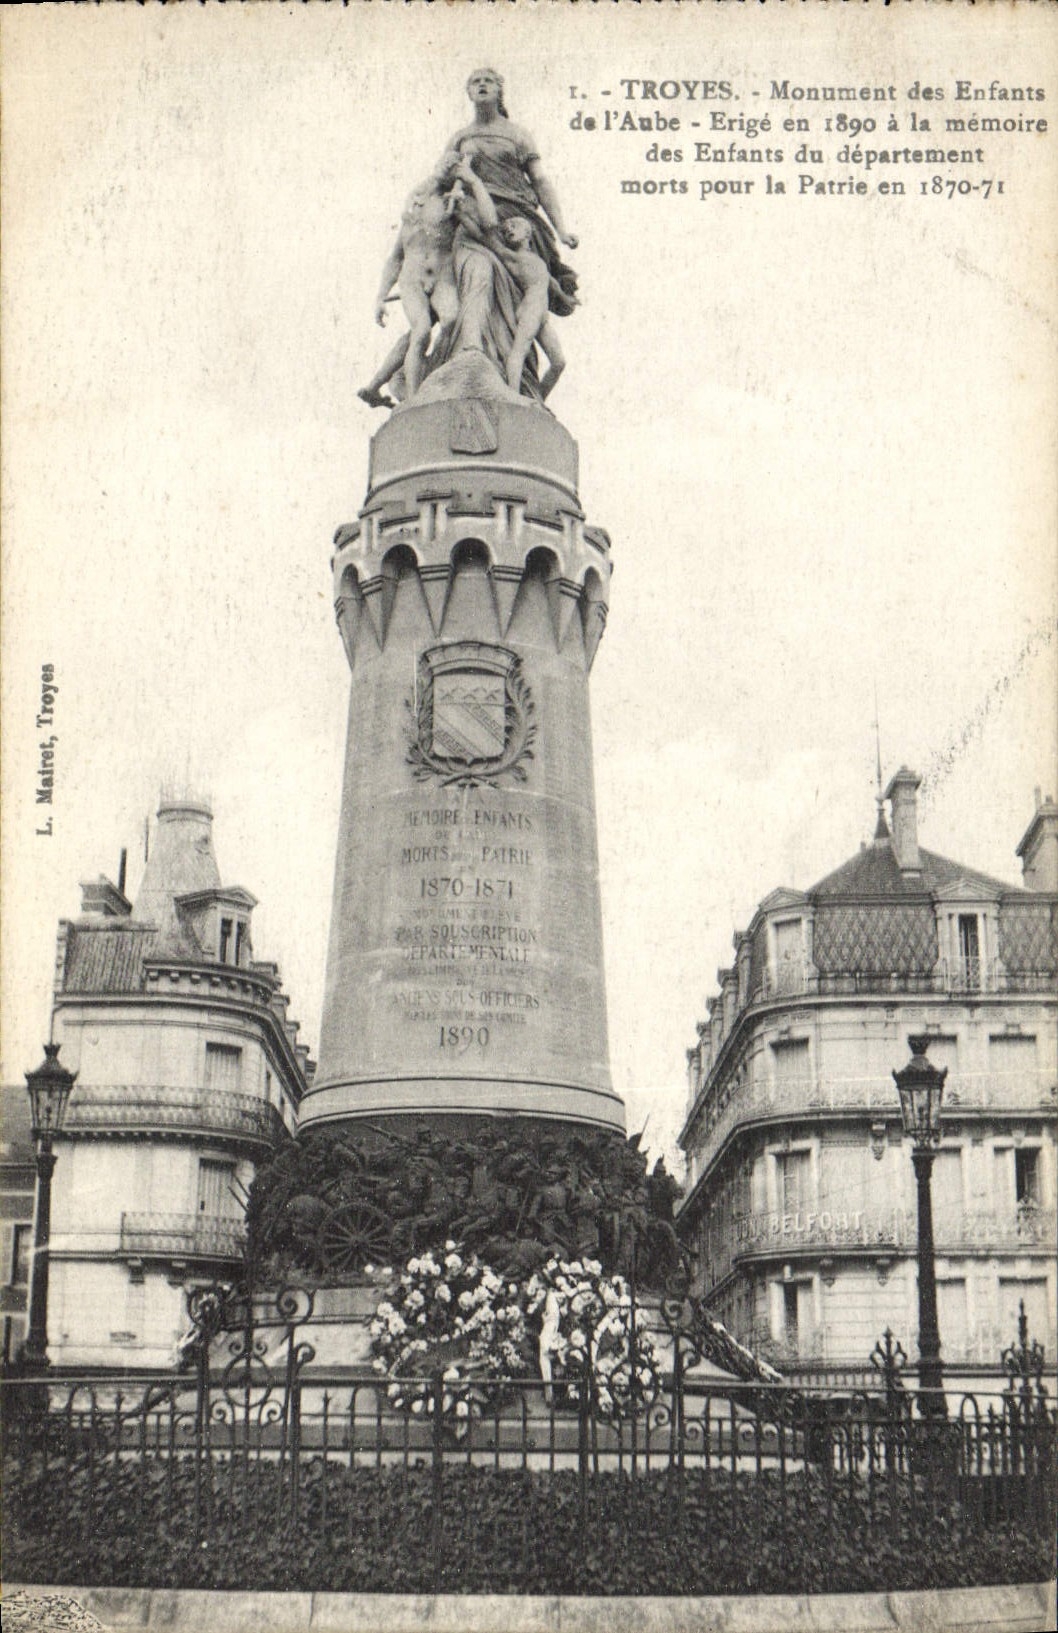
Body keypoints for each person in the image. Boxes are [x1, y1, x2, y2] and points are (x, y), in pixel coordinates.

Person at [434, 69, 578, 394]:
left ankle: (517, 387)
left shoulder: (518, 135)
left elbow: (540, 181)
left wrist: (562, 229)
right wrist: (446, 170)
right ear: (469, 92)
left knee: (518, 308)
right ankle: (470, 353)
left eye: (489, 80)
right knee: (478, 274)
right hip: (473, 221)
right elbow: (439, 179)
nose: (482, 85)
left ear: (500, 90)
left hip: (517, 224)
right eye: (475, 81)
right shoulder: (459, 137)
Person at [358, 154, 463, 407]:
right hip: (412, 280)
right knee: (422, 330)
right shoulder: (411, 214)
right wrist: (381, 296)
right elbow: (395, 258)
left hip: (442, 278)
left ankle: (423, 375)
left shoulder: (454, 204)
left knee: (450, 320)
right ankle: (415, 398)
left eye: (451, 168)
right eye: (443, 165)